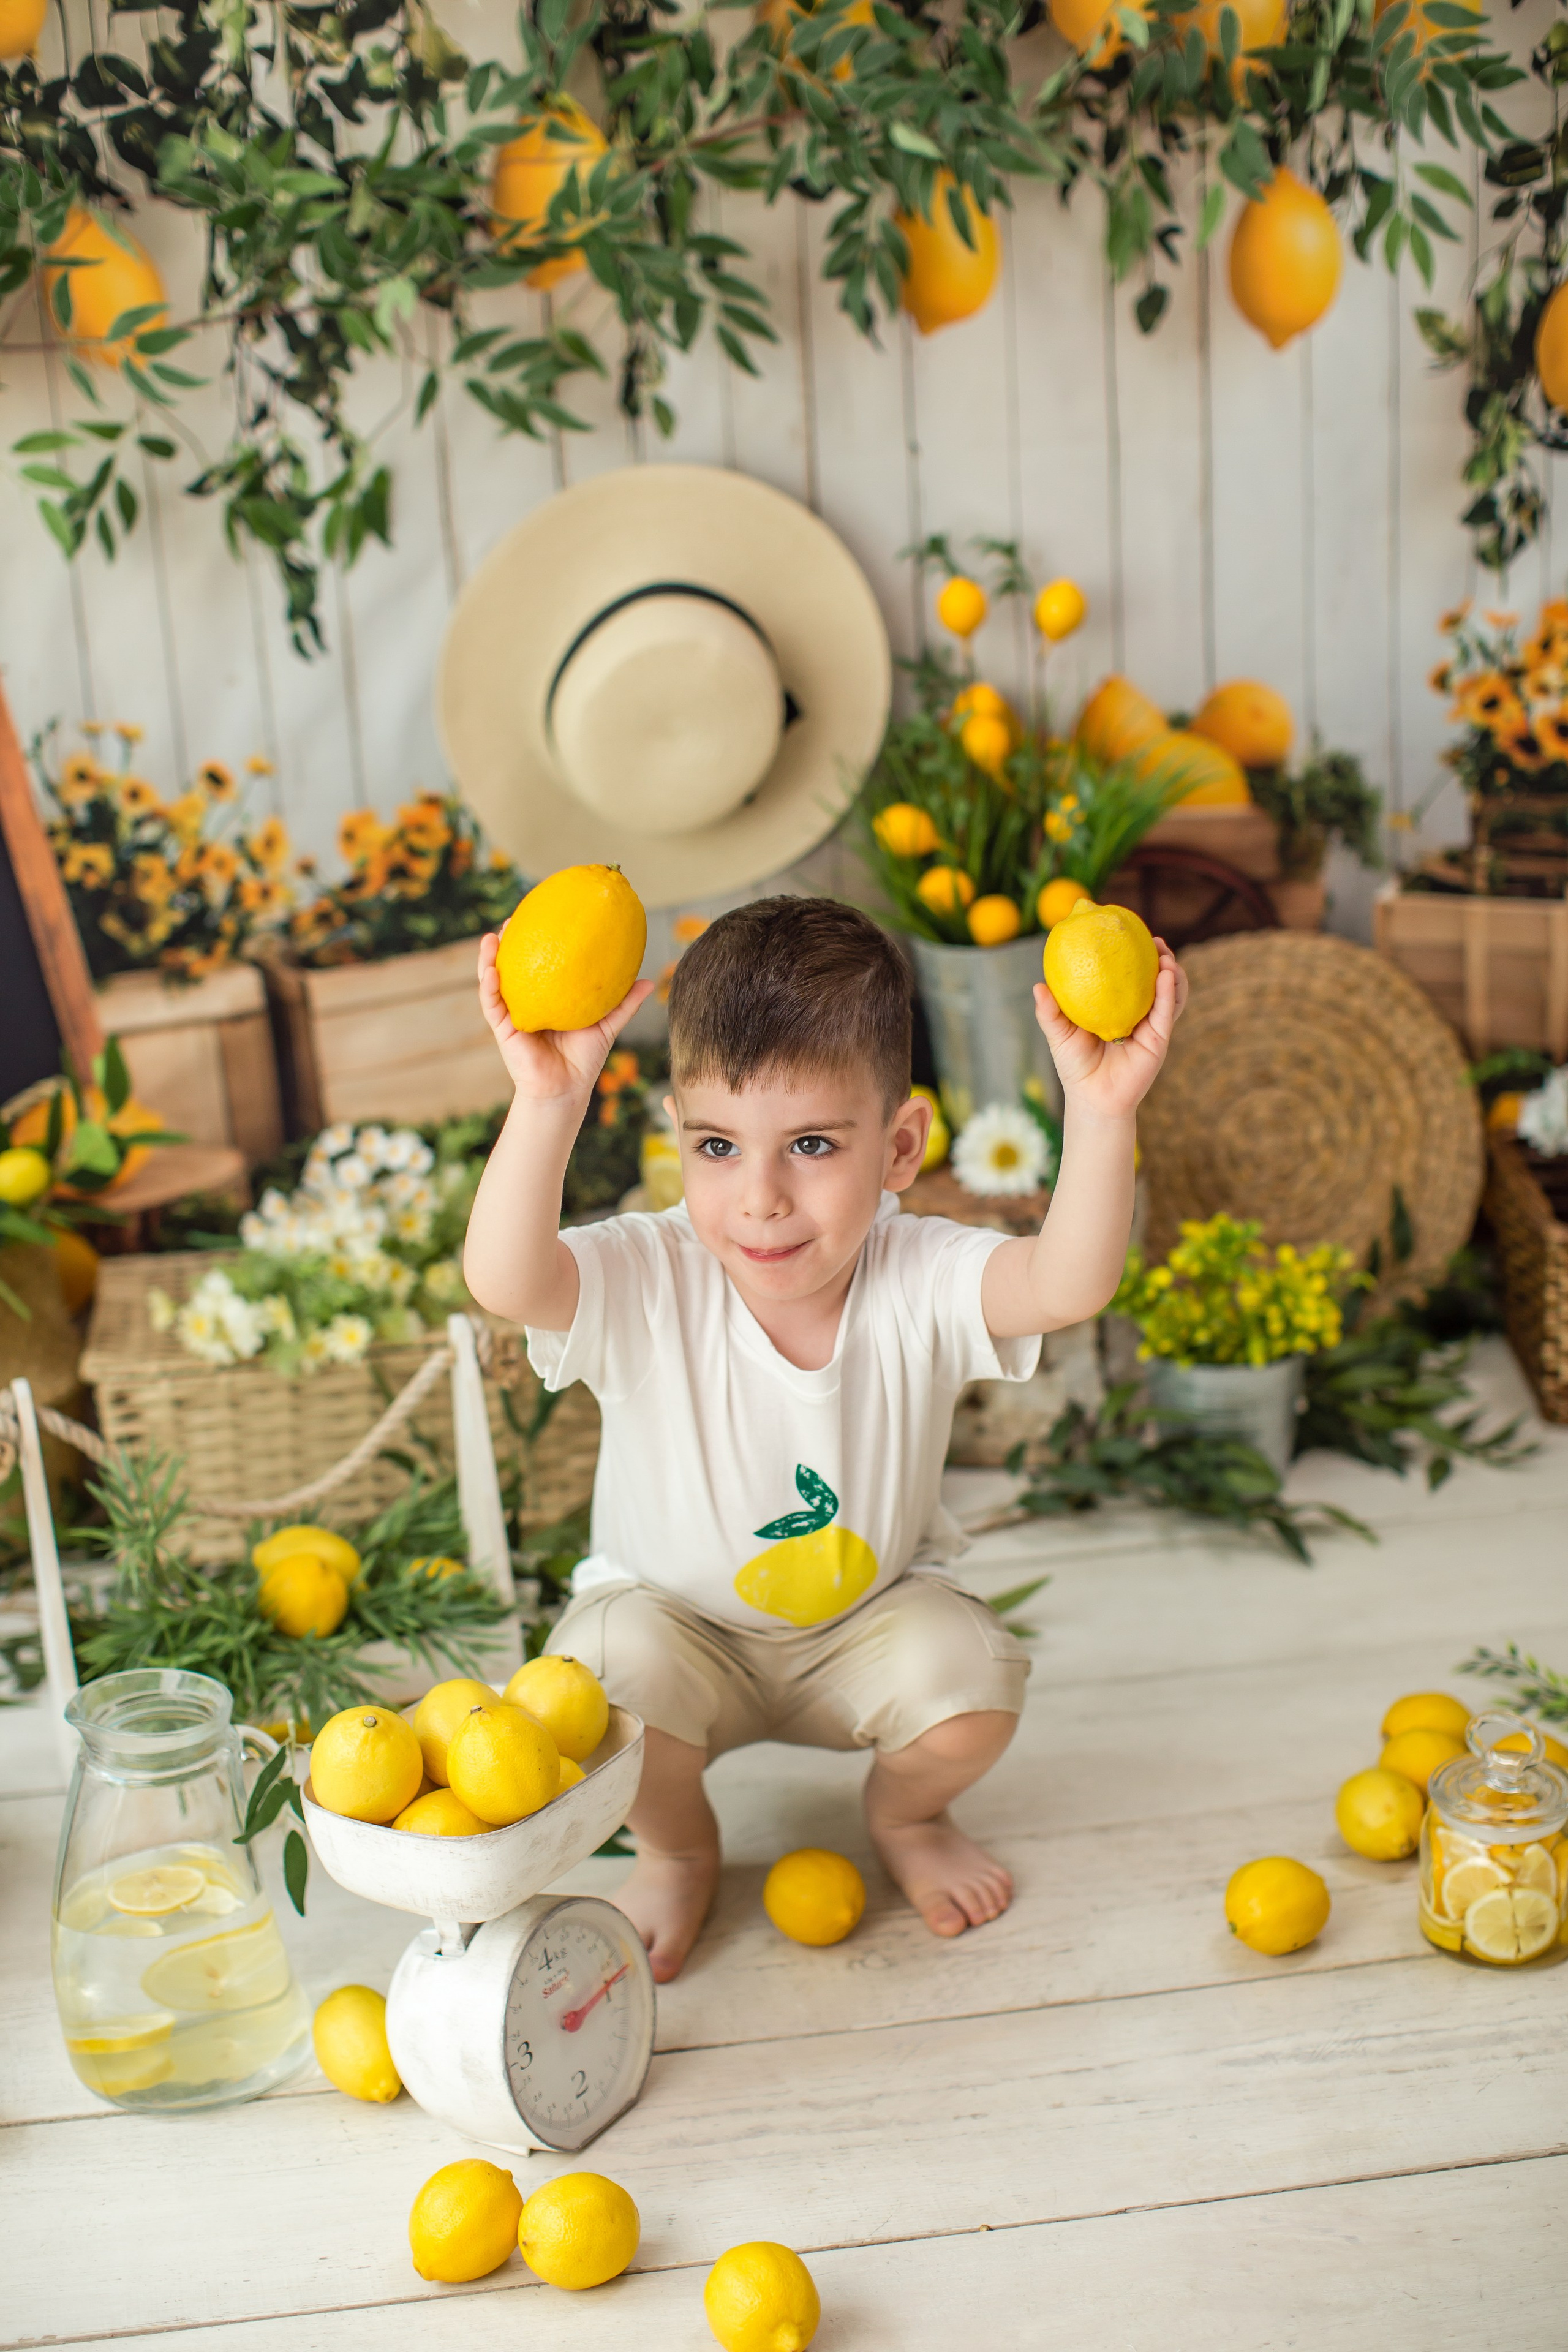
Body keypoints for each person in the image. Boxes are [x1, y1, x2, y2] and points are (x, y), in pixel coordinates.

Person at [464, 895, 1185, 1982]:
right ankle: (678, 1848)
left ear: (899, 1146)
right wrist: (547, 1102)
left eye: (810, 1145)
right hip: (677, 1633)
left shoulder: (918, 1275)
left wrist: (1103, 1111)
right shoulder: (653, 1274)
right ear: (680, 1141)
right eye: (718, 1145)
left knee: (974, 1681)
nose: (759, 1200)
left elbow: (1066, 1280)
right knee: (596, 1684)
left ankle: (904, 1821)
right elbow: (506, 1277)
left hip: (866, 1623)